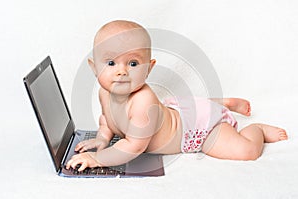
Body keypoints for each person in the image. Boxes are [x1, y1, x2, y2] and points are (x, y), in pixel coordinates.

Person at [66, 20, 288, 172]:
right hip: (181, 111)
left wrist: (97, 158)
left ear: (149, 69)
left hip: (199, 129)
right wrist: (102, 138)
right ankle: (224, 103)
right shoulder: (105, 93)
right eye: (111, 62)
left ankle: (256, 130)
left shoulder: (143, 102)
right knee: (187, 110)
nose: (121, 71)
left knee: (245, 152)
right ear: (94, 68)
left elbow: (134, 146)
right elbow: (108, 120)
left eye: (133, 63)